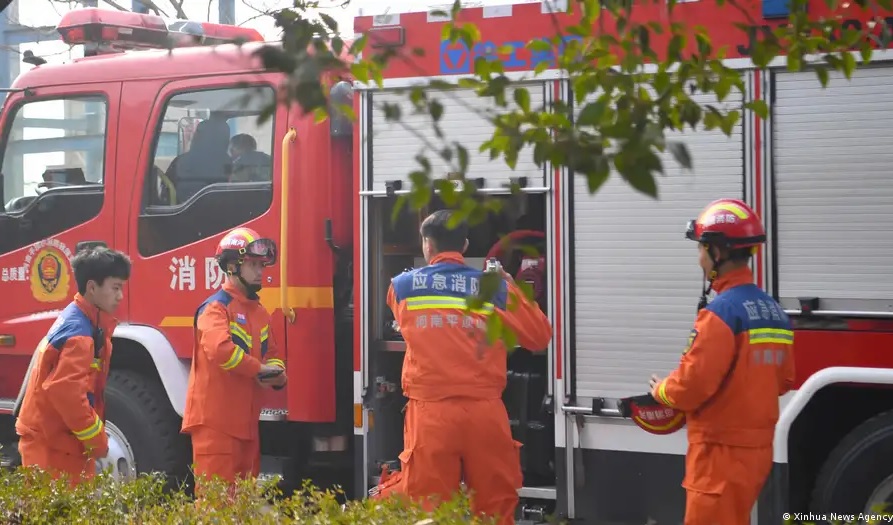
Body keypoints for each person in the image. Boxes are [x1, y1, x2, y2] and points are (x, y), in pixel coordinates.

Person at [384, 209, 552, 525]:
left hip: (430, 415)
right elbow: (539, 337)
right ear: (464, 244)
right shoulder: (495, 288)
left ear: (427, 245)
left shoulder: (401, 286)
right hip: (484, 413)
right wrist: (510, 286)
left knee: (430, 510)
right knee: (494, 507)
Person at [649, 198, 795, 525]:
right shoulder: (775, 314)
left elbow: (690, 387)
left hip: (718, 457)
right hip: (756, 454)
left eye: (701, 248)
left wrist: (661, 391)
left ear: (718, 252)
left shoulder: (721, 315)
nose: (698, 257)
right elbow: (784, 381)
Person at [181, 227, 288, 497]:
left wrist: (278, 373)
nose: (260, 271)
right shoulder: (214, 309)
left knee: (242, 506)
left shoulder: (259, 312)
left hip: (246, 427)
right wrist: (261, 370)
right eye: (252, 264)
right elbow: (221, 351)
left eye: (261, 265)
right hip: (215, 427)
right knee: (216, 508)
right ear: (232, 266)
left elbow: (273, 352)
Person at [15, 246, 132, 487]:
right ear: (92, 287)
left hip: (57, 440)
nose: (120, 296)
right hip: (53, 446)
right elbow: (66, 393)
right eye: (115, 288)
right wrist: (97, 441)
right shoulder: (80, 335)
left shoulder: (81, 320)